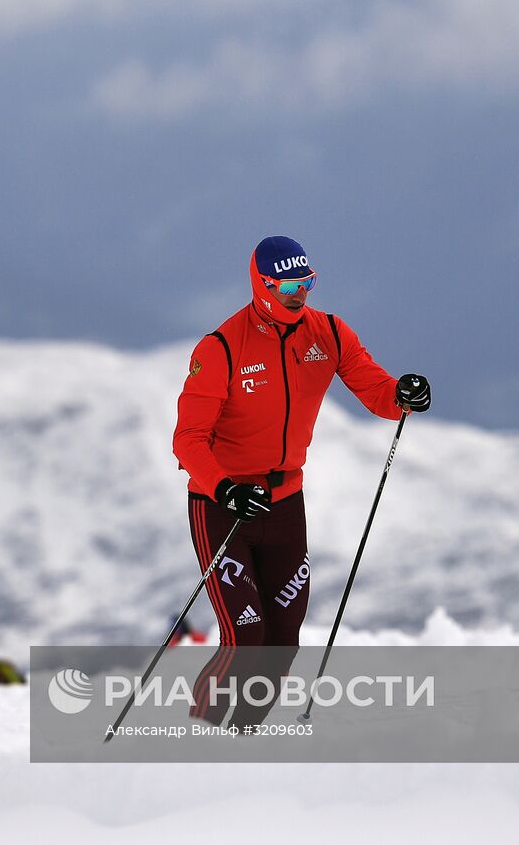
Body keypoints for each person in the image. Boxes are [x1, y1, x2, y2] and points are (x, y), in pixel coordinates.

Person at [172, 236, 429, 727]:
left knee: (283, 636)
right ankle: (200, 730)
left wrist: (404, 394)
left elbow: (376, 390)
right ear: (261, 284)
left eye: (305, 282)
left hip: (285, 502)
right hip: (224, 505)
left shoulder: (328, 333)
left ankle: (246, 733)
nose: (298, 293)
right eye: (286, 284)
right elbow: (188, 439)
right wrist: (225, 488)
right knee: (246, 635)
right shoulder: (222, 347)